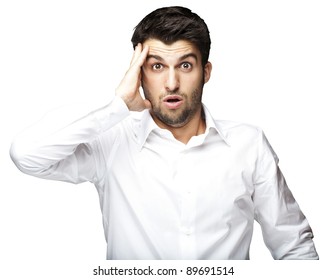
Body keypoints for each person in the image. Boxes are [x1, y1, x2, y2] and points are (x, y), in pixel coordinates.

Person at [10, 6, 318, 260]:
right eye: (156, 67)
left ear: (205, 72)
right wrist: (116, 106)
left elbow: (294, 246)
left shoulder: (248, 144)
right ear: (139, 72)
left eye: (185, 65)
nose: (171, 83)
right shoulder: (112, 141)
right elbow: (27, 155)